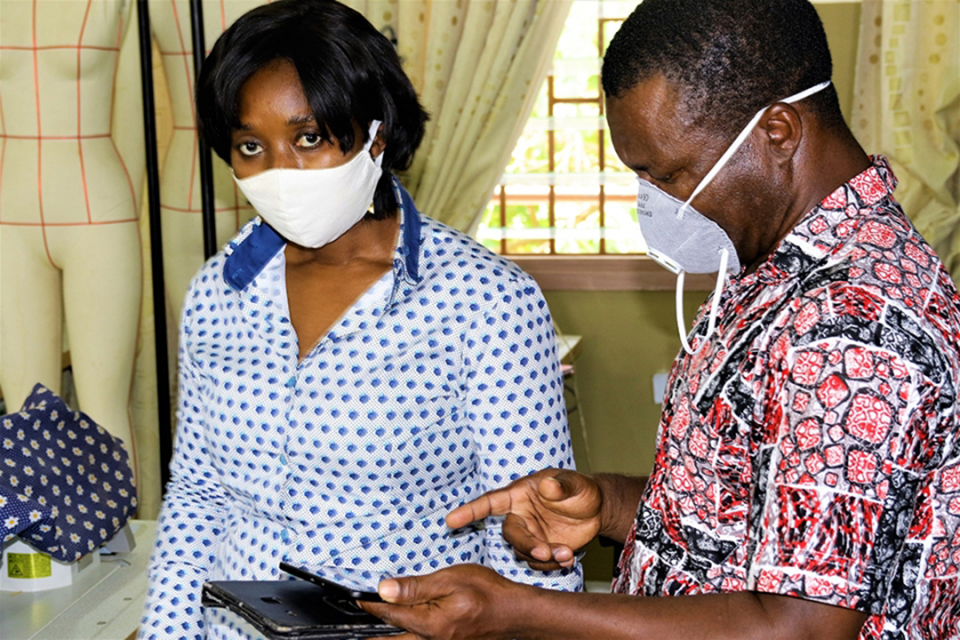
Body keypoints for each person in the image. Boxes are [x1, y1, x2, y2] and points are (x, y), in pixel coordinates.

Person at [360, 1, 960, 638]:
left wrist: (516, 611)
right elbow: (760, 509)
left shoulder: (853, 329)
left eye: (668, 174)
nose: (654, 203)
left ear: (777, 132)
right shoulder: (775, 266)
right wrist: (610, 503)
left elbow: (798, 628)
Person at [139, 2, 580, 638]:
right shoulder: (218, 292)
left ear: (374, 134)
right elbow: (199, 499)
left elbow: (536, 533)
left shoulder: (484, 302)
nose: (280, 171)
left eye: (309, 137)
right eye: (251, 146)